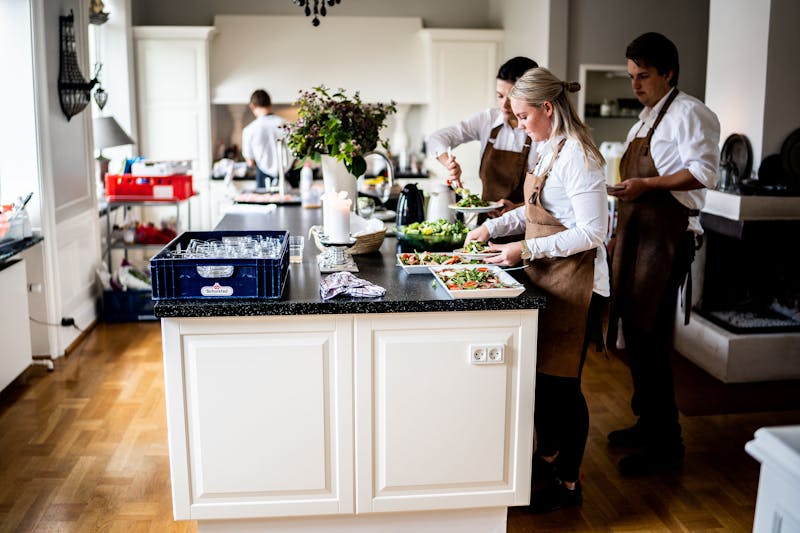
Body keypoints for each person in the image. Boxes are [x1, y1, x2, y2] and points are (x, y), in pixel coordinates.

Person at [465, 67, 609, 513]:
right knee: (543, 381)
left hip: (579, 284)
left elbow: (593, 231)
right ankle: (547, 462)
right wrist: (492, 228)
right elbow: (531, 211)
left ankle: (569, 481)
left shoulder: (580, 157)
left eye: (524, 116)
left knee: (564, 386)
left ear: (548, 108)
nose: (520, 125)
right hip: (549, 275)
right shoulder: (548, 148)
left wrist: (524, 249)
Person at [606, 32, 720, 477]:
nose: (635, 85)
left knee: (652, 339)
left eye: (644, 76)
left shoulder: (690, 113)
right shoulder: (643, 123)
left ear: (668, 73)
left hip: (669, 239)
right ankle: (648, 423)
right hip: (637, 237)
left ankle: (667, 443)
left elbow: (704, 173)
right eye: (631, 76)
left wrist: (647, 185)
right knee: (635, 335)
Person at [427, 56, 539, 219]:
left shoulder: (540, 132)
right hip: (486, 223)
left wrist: (516, 209)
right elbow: (436, 139)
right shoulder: (488, 120)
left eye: (512, 98)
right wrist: (448, 163)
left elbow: (548, 197)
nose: (504, 104)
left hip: (524, 222)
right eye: (500, 96)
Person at [242, 89, 288, 192]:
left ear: (252, 106)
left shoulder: (249, 130)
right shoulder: (287, 125)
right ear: (270, 103)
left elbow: (250, 162)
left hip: (263, 178)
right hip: (289, 176)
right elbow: (298, 155)